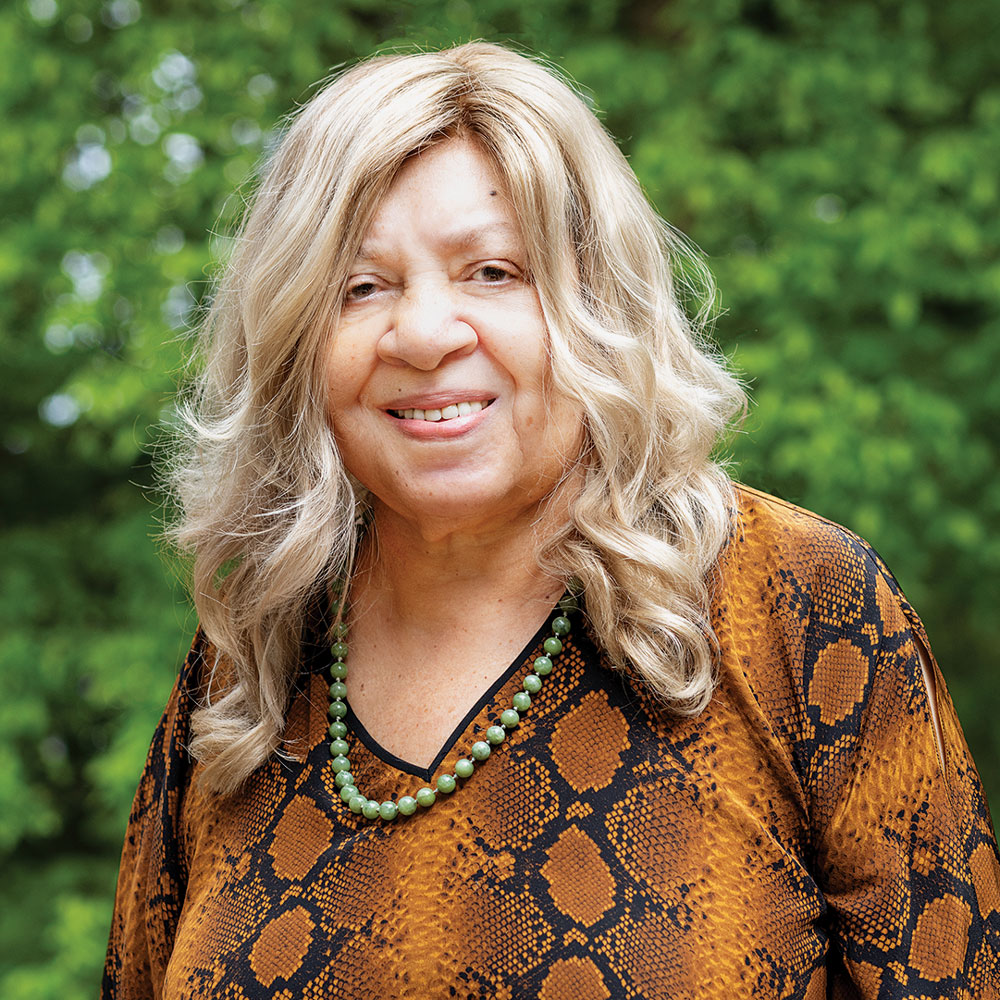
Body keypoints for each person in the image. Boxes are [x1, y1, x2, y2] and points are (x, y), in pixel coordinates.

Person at [103, 42, 1000, 1000]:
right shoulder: (246, 663)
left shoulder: (797, 603)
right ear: (296, 341)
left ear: (595, 303)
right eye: (361, 288)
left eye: (491, 271)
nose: (424, 333)